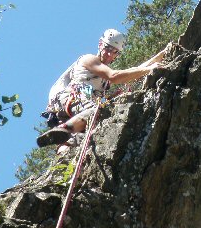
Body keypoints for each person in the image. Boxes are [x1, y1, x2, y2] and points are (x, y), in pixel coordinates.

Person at [37, 28, 165, 153]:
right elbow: (114, 76)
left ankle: (63, 153)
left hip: (72, 109)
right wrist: (149, 70)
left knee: (87, 134)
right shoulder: (89, 59)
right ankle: (64, 129)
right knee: (99, 111)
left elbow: (134, 70)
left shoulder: (102, 77)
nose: (110, 54)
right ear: (100, 44)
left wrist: (159, 58)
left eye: (115, 52)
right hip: (74, 96)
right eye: (108, 48)